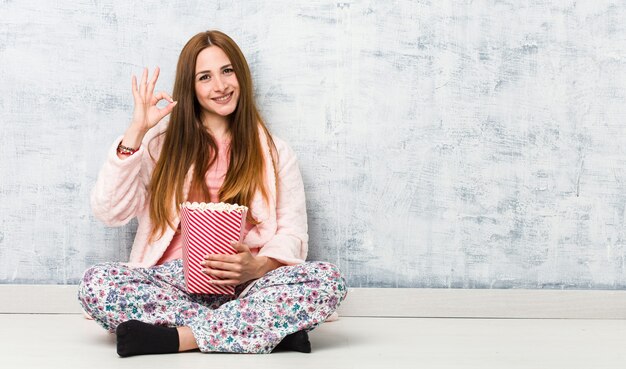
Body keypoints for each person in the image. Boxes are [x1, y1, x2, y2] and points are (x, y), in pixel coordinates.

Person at [77, 30, 348, 357]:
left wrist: (257, 267)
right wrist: (136, 131)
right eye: (205, 77)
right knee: (97, 283)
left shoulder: (276, 152)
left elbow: (292, 233)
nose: (220, 86)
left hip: (247, 287)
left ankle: (178, 339)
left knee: (327, 280)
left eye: (227, 71)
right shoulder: (158, 146)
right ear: (190, 87)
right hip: (172, 282)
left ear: (241, 76)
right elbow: (109, 211)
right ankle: (264, 332)